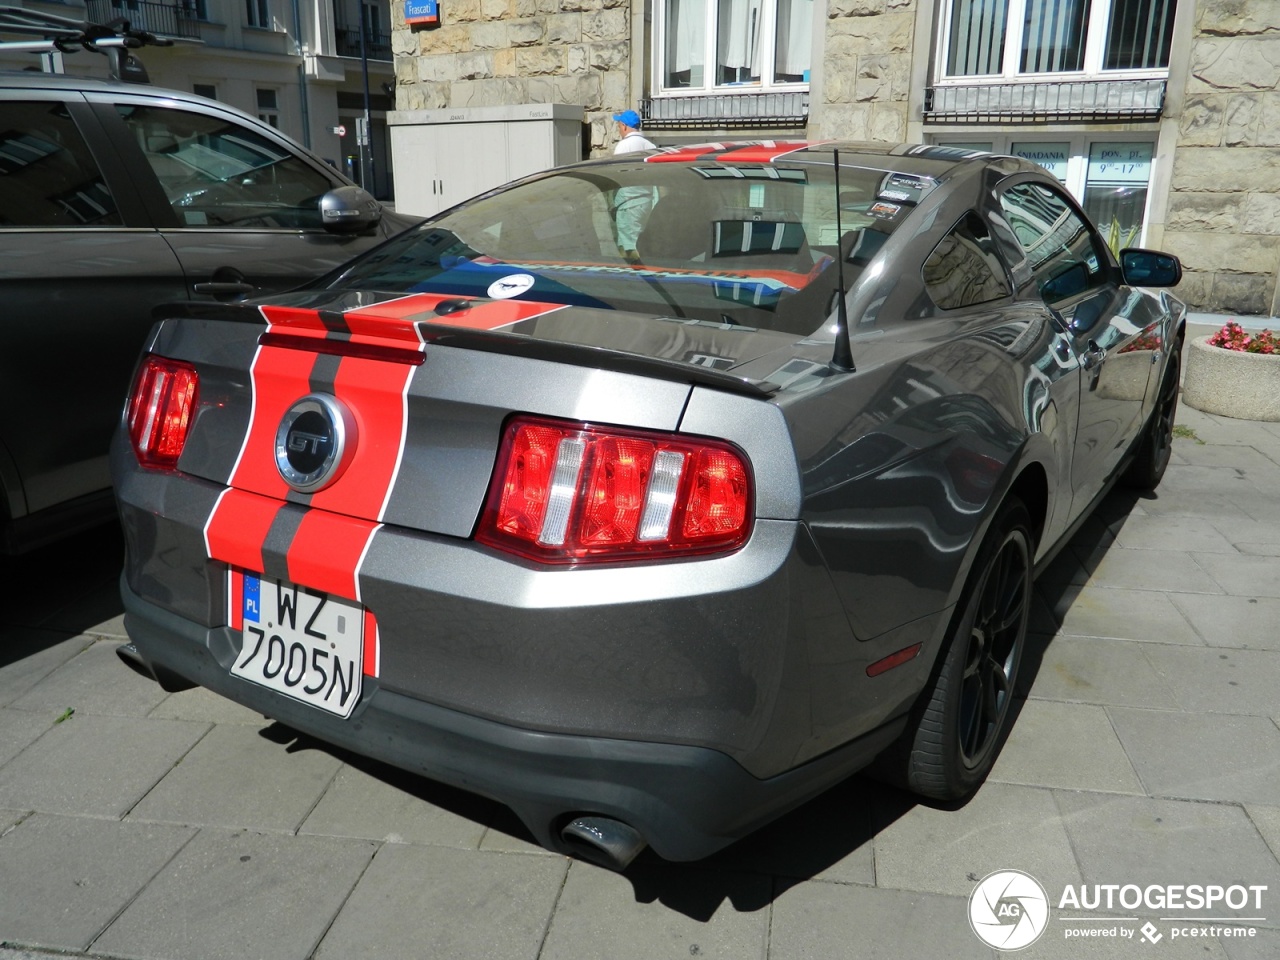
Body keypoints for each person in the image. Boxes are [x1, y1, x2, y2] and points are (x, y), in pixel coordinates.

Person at [611, 110, 657, 259]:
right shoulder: (651, 146)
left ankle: (633, 274)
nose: (619, 130)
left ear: (624, 126)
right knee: (641, 240)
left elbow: (616, 174)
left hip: (628, 203)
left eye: (619, 126)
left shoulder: (623, 147)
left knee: (628, 246)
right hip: (647, 202)